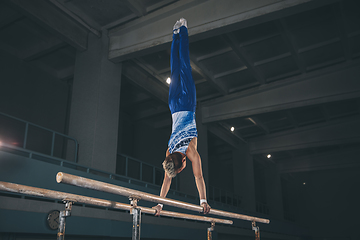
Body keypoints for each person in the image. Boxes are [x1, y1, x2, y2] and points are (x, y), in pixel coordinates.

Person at [153, 18, 211, 216]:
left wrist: (203, 201)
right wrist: (159, 205)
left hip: (187, 104)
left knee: (185, 67)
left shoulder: (191, 151)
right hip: (173, 105)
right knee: (176, 69)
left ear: (182, 164)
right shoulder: (169, 150)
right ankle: (175, 34)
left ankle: (184, 29)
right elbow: (166, 179)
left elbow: (199, 177)